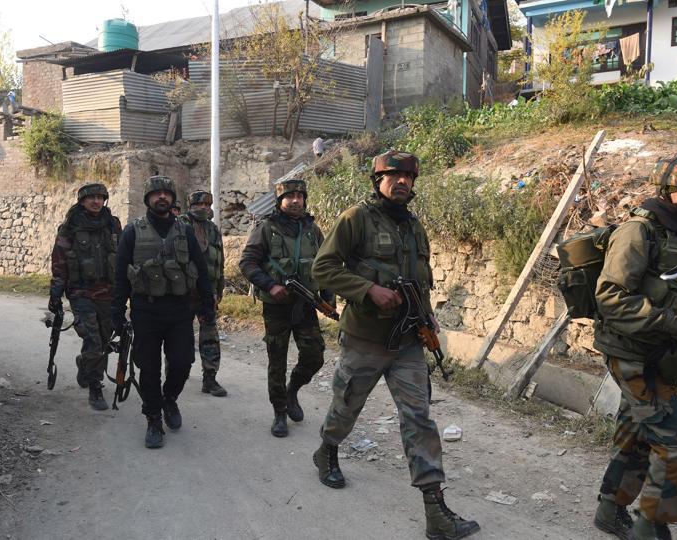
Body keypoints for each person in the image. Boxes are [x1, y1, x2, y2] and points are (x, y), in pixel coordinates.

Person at [311, 150, 480, 540]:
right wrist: (367, 289)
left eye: (408, 176)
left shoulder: (415, 227)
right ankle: (327, 450)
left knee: (419, 418)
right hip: (365, 339)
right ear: (378, 181)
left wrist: (427, 314)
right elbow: (323, 267)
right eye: (393, 175)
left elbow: (419, 280)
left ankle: (435, 512)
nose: (401, 181)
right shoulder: (356, 219)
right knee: (346, 406)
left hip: (407, 342)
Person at [592, 152, 677, 540]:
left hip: (658, 356)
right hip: (633, 355)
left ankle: (609, 509)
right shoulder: (639, 232)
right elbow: (610, 297)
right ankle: (650, 527)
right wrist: (675, 325)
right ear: (669, 189)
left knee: (635, 435)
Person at [110, 176, 216, 449]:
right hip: (146, 310)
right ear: (147, 198)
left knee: (182, 363)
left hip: (180, 309)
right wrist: (117, 312)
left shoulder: (185, 231)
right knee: (149, 368)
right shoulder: (133, 231)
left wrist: (207, 306)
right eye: (156, 193)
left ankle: (169, 399)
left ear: (173, 199)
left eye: (166, 194)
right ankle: (153, 418)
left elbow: (201, 271)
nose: (161, 197)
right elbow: (121, 276)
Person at [239, 178, 330, 438]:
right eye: (289, 196)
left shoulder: (313, 230)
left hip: (306, 305)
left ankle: (292, 390)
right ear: (280, 201)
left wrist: (327, 296)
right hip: (276, 307)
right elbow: (247, 263)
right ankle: (280, 412)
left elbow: (325, 266)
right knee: (276, 360)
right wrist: (270, 285)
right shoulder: (266, 228)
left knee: (315, 355)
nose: (295, 200)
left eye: (300, 196)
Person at [48, 183, 122, 411]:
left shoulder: (113, 224)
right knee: (93, 340)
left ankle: (85, 364)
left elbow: (123, 257)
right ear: (82, 200)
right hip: (81, 293)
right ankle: (95, 387)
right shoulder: (70, 227)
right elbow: (59, 261)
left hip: (108, 293)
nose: (96, 201)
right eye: (92, 197)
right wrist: (56, 294)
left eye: (101, 197)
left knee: (105, 340)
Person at [178, 190, 227, 397]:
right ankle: (177, 373)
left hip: (207, 295)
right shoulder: (180, 226)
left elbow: (220, 262)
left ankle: (210, 378)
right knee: (180, 337)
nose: (205, 208)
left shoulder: (213, 230)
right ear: (190, 206)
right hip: (183, 294)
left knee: (210, 337)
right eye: (200, 204)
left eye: (208, 204)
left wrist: (218, 290)